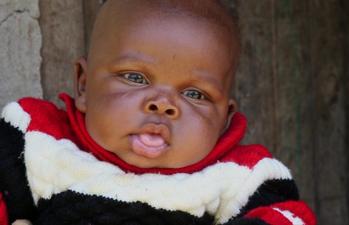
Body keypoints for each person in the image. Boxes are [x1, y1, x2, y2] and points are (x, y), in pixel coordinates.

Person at [0, 0, 316, 224]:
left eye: (195, 94)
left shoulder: (237, 177)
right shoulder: (39, 141)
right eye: (135, 77)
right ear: (83, 86)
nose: (163, 104)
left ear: (223, 120)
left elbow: (289, 219)